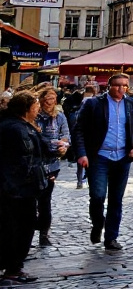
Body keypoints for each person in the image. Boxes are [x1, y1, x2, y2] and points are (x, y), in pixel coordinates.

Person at [73, 72, 133, 252]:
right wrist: (82, 153)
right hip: (99, 157)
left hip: (122, 157)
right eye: (117, 85)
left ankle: (111, 237)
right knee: (97, 196)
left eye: (125, 86)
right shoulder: (93, 104)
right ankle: (98, 223)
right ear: (108, 86)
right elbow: (79, 129)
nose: (121, 89)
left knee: (116, 199)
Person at [0, 92, 48, 284]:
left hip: (16, 187)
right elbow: (24, 161)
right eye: (36, 105)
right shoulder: (17, 129)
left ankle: (13, 265)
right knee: (21, 228)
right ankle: (13, 268)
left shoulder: (18, 126)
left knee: (16, 227)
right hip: (18, 189)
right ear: (26, 108)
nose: (38, 109)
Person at [34, 85, 70, 247]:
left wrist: (64, 145)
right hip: (35, 162)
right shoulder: (34, 115)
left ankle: (44, 233)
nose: (51, 102)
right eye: (48, 98)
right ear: (41, 99)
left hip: (52, 163)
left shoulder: (59, 116)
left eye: (53, 98)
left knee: (45, 199)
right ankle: (30, 228)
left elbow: (66, 135)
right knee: (31, 199)